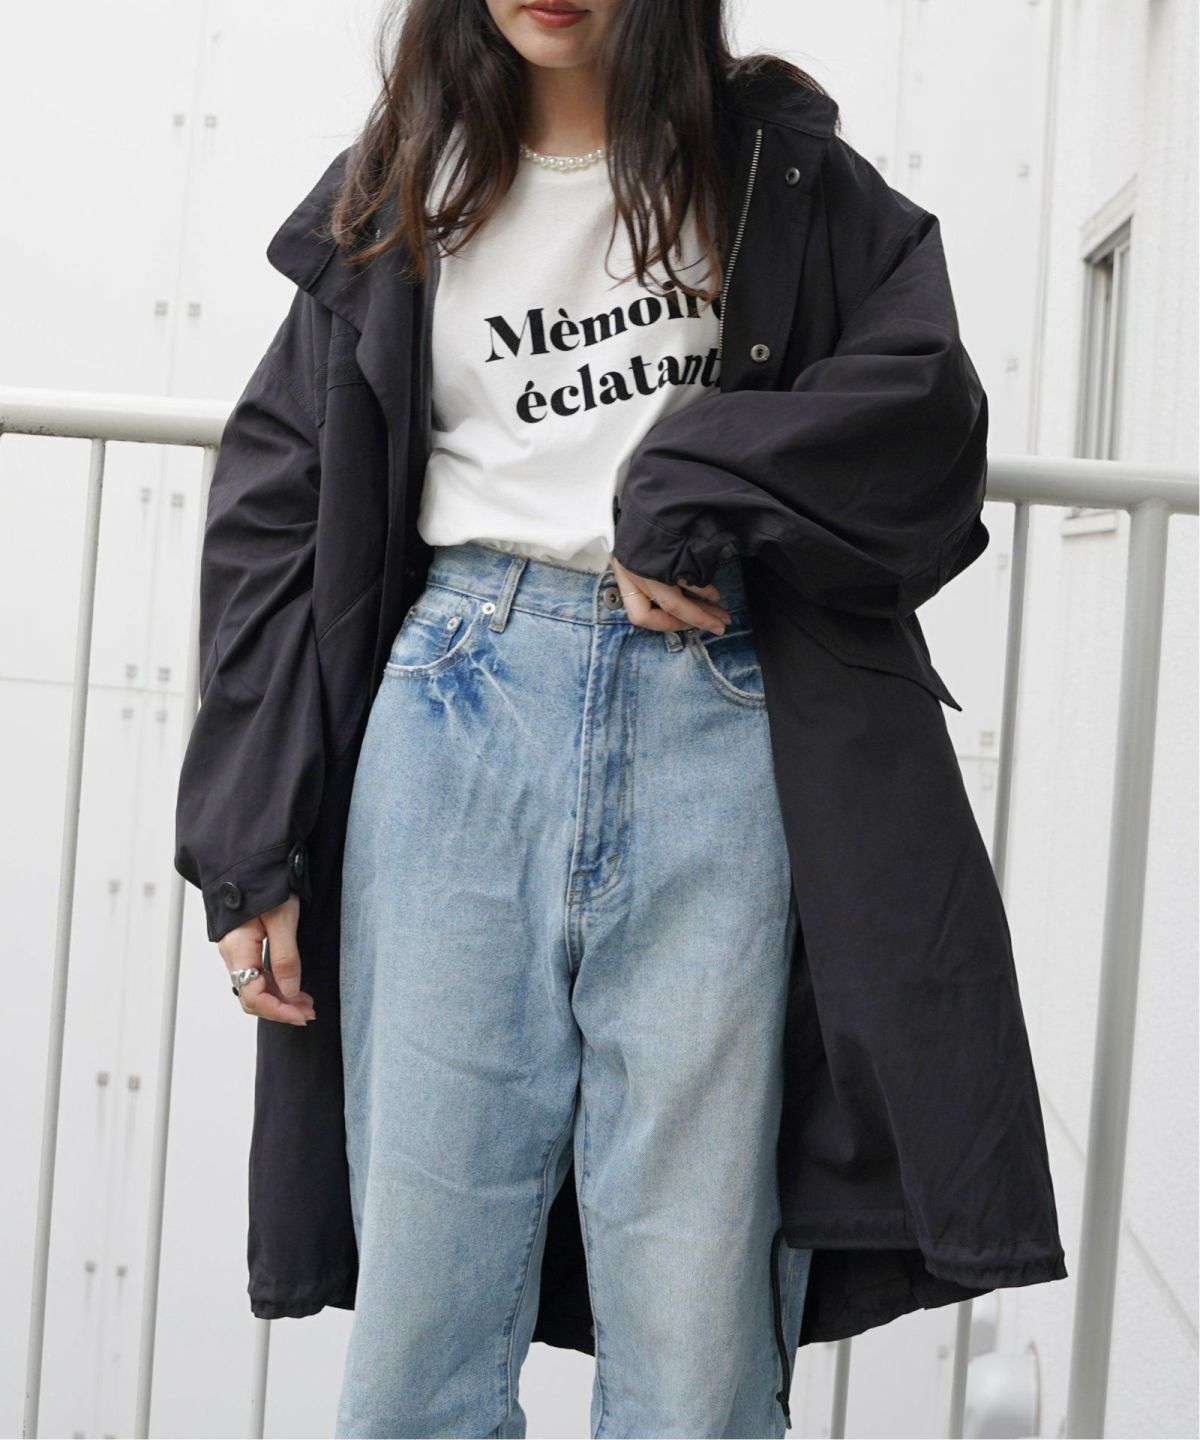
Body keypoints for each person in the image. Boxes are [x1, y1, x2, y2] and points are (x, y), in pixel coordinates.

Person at [174, 0, 1069, 1436]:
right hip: (458, 709)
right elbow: (274, 505)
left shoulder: (769, 167)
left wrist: (691, 480)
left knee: (698, 1338)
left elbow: (923, 405)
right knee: (422, 1329)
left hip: (718, 721)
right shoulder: (405, 184)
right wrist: (246, 843)